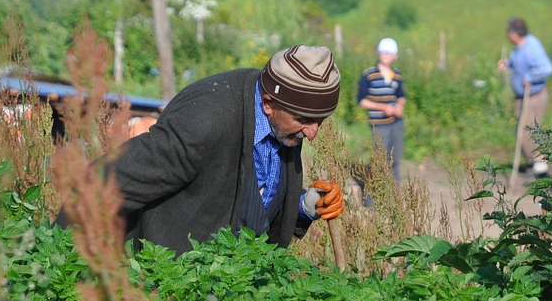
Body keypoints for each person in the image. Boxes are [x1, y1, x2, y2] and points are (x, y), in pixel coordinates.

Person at [55, 45, 345, 256]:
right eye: (305, 120)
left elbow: (251, 206)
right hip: (170, 287)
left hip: (231, 294)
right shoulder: (206, 121)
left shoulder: (283, 126)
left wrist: (304, 206)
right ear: (269, 103)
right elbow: (107, 182)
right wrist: (56, 259)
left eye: (320, 121)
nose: (312, 132)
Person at [497, 17, 552, 176]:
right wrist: (508, 63)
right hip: (521, 98)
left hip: (534, 97)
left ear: (514, 34)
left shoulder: (532, 47)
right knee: (524, 133)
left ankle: (541, 169)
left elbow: (547, 68)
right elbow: (519, 62)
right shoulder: (519, 47)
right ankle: (533, 165)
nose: (507, 35)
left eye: (508, 32)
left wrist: (530, 77)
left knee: (528, 132)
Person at [357, 37, 406, 186]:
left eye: (389, 53)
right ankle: (373, 198)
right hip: (379, 124)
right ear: (379, 53)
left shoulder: (397, 75)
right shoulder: (369, 75)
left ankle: (394, 193)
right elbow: (361, 100)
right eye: (383, 52)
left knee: (395, 159)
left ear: (394, 56)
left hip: (396, 123)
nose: (386, 55)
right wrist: (383, 108)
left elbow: (401, 96)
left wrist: (399, 107)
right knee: (379, 160)